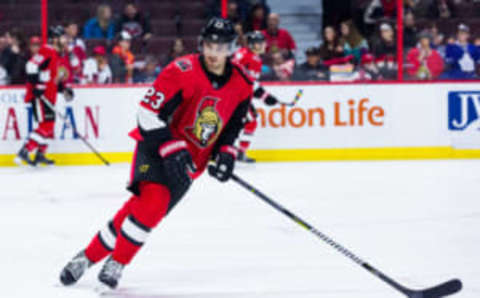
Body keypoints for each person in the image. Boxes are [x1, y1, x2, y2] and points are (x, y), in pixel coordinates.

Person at [59, 17, 254, 290]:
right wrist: (171, 147)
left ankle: (86, 257)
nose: (214, 52)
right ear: (202, 44)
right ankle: (118, 262)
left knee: (139, 212)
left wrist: (226, 154)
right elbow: (147, 113)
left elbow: (233, 126)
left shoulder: (243, 84)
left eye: (221, 47)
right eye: (210, 45)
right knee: (152, 206)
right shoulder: (181, 70)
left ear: (231, 49)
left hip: (190, 162)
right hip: (156, 147)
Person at [15, 26, 74, 166]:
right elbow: (31, 66)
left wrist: (62, 88)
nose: (65, 40)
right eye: (62, 37)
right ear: (55, 38)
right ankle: (25, 151)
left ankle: (40, 154)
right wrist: (37, 87)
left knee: (50, 126)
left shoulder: (57, 54)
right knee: (46, 125)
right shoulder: (47, 50)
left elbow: (50, 75)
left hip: (49, 95)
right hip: (41, 96)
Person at [232, 31, 279, 163]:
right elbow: (243, 81)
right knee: (249, 122)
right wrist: (265, 97)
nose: (264, 45)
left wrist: (266, 96)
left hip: (237, 96)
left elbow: (250, 82)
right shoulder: (248, 57)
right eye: (262, 43)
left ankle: (235, 151)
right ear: (254, 44)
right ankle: (236, 152)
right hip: (235, 97)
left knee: (247, 121)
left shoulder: (248, 55)